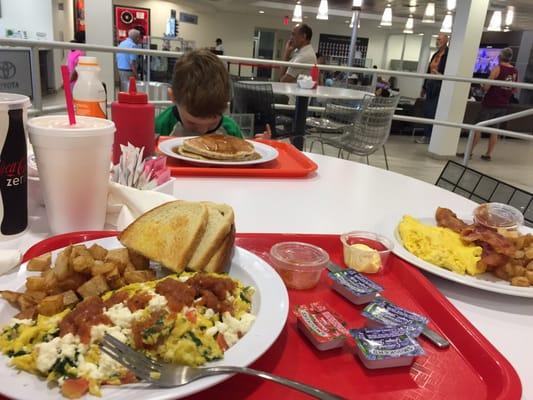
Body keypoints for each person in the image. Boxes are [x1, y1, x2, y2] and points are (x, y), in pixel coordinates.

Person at [155, 49, 270, 139]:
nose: (203, 131)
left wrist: (262, 148)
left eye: (212, 124)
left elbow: (243, 162)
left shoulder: (230, 130)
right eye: (193, 124)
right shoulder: (160, 126)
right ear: (173, 97)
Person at [458, 47, 518, 161]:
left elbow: (486, 87)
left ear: (500, 57)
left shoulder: (497, 68)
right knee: (494, 131)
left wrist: (482, 85)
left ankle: (469, 152)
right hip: (503, 105)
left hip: (490, 103)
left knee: (477, 128)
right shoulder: (515, 71)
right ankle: (488, 154)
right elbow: (514, 89)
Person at [416, 33, 449, 144]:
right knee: (427, 111)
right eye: (437, 39)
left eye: (439, 39)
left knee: (432, 111)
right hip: (431, 84)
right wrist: (424, 87)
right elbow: (428, 71)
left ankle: (429, 136)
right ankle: (427, 135)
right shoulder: (435, 54)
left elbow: (448, 73)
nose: (437, 41)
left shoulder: (448, 55)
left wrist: (439, 74)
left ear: (445, 41)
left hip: (439, 86)